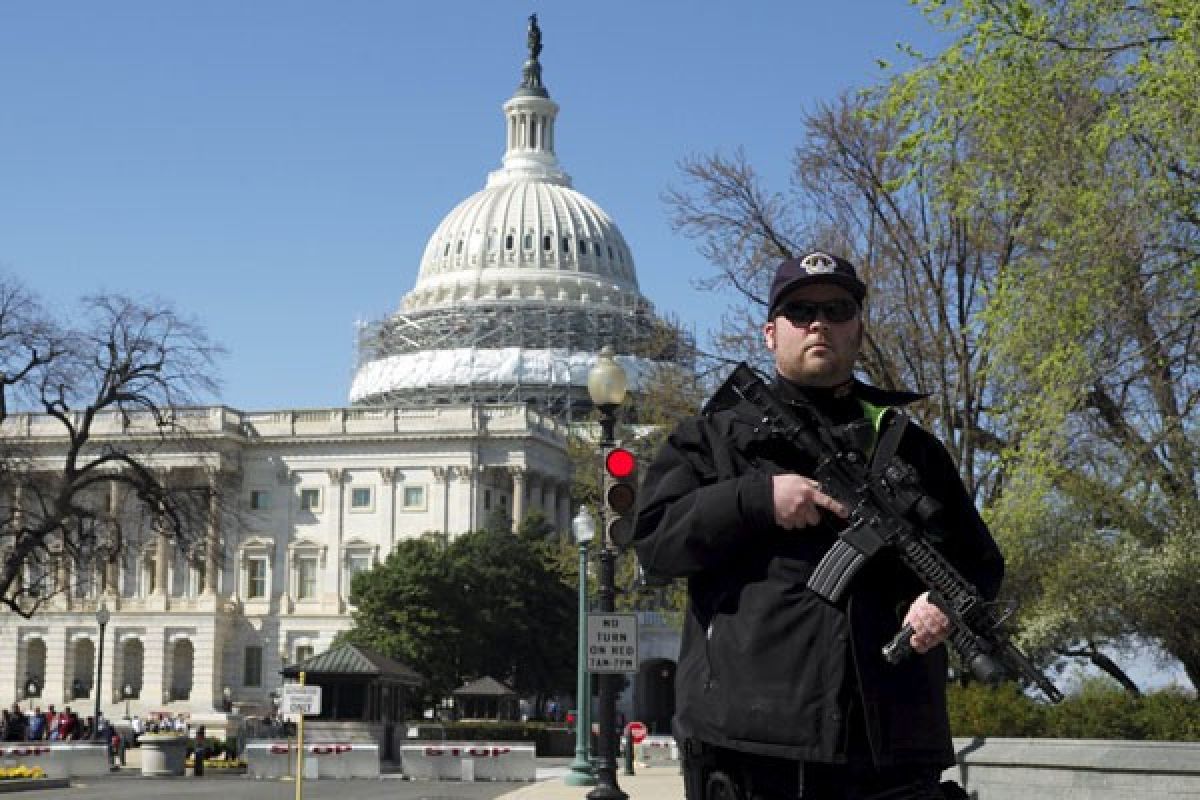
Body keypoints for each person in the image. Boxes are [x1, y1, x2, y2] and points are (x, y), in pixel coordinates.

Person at [633, 252, 1005, 800]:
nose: (818, 323)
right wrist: (756, 499)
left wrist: (940, 604)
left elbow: (979, 562)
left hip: (892, 746)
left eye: (836, 309)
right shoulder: (713, 439)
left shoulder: (913, 449)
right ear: (769, 333)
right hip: (752, 748)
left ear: (857, 328)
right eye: (800, 310)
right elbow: (655, 542)